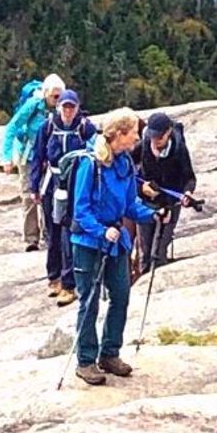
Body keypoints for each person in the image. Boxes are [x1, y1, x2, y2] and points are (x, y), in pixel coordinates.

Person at [67, 108, 155, 385]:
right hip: (88, 242)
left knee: (120, 295)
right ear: (119, 133)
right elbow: (80, 210)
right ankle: (85, 361)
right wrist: (102, 231)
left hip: (115, 241)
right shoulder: (90, 164)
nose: (138, 137)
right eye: (134, 133)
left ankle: (110, 353)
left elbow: (129, 203)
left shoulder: (125, 162)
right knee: (90, 301)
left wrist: (153, 213)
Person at [27, 89, 95, 305]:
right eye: (64, 106)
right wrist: (34, 186)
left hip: (76, 182)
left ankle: (68, 284)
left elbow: (95, 152)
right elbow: (37, 156)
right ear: (58, 107)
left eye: (71, 107)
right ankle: (53, 277)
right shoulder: (48, 127)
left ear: (77, 108)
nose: (67, 111)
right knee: (52, 230)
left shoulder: (85, 127)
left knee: (68, 231)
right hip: (52, 182)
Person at [2, 74, 67, 251]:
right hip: (28, 155)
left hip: (49, 157)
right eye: (55, 96)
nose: (58, 99)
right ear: (45, 93)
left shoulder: (61, 108)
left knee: (48, 195)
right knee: (30, 195)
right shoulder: (33, 105)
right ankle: (31, 238)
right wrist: (7, 158)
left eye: (60, 95)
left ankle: (48, 235)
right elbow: (12, 127)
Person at [133, 111, 199, 278]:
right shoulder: (144, 145)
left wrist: (187, 194)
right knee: (145, 251)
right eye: (152, 136)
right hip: (146, 202)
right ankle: (143, 279)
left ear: (168, 132)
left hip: (170, 203)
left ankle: (157, 283)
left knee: (159, 252)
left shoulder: (178, 149)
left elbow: (189, 178)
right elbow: (126, 169)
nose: (155, 141)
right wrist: (141, 188)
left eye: (159, 137)